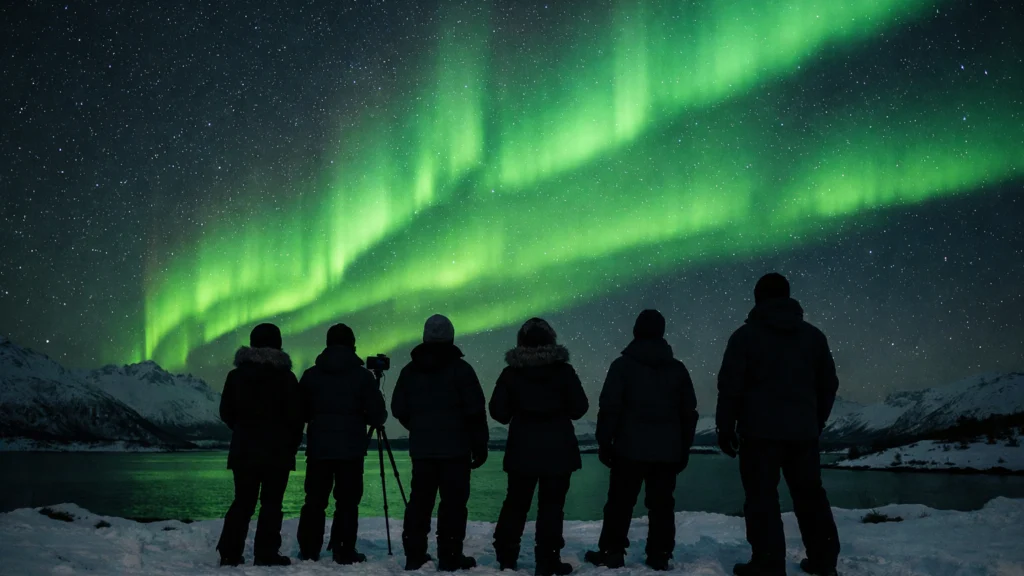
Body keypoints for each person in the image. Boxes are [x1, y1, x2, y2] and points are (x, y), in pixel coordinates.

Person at [716, 273, 841, 576]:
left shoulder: (744, 337)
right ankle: (824, 562)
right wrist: (816, 421)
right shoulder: (813, 337)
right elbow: (829, 385)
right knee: (811, 496)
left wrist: (725, 428)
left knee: (762, 498)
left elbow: (730, 387)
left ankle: (768, 562)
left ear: (758, 298)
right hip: (803, 434)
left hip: (759, 434)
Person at [585, 310, 699, 572]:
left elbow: (610, 406)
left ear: (635, 331)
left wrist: (604, 441)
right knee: (662, 504)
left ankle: (612, 551)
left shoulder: (622, 366)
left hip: (628, 449)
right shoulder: (677, 369)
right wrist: (683, 448)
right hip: (667, 451)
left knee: (620, 502)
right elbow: (688, 412)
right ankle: (659, 554)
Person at [489, 318, 590, 576]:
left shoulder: (512, 373)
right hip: (558, 449)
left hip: (522, 449)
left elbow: (498, 412)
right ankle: (548, 559)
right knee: (552, 506)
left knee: (516, 503)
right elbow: (580, 409)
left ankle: (507, 556)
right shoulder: (564, 372)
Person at [391, 314, 489, 572]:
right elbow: (476, 411)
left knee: (419, 503)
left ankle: (414, 555)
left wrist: (418, 427)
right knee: (453, 506)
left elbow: (398, 407)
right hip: (456, 451)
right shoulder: (462, 370)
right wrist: (480, 445)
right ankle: (450, 555)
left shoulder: (409, 371)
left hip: (422, 451)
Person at [295, 323, 387, 564]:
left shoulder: (311, 375)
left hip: (319, 449)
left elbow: (299, 412)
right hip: (351, 450)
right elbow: (378, 416)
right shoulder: (362, 377)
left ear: (327, 344)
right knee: (347, 501)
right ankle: (343, 549)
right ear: (352, 345)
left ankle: (308, 549)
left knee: (315, 500)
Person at [216, 323, 304, 567]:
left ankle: (229, 553)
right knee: (272, 503)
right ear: (278, 343)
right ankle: (266, 553)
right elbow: (296, 417)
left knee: (242, 501)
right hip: (278, 452)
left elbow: (226, 412)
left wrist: (244, 430)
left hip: (244, 450)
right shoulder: (286, 378)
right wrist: (290, 443)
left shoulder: (236, 376)